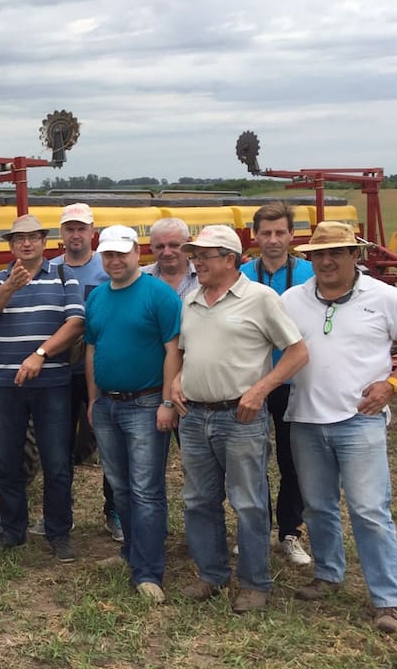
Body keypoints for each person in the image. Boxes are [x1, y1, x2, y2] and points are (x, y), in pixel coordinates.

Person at [282, 222, 397, 634]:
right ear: (309, 258)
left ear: (355, 256)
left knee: (369, 510)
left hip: (360, 420)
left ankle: (388, 600)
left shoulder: (384, 297)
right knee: (318, 506)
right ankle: (328, 575)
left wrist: (393, 383)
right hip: (307, 419)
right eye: (318, 255)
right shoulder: (292, 299)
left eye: (336, 253)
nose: (326, 262)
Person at [172, 225, 308, 613]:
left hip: (240, 416)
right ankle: (212, 575)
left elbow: (297, 353)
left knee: (248, 502)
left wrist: (259, 390)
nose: (196, 262)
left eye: (204, 255)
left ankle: (254, 583)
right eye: (194, 255)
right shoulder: (192, 299)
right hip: (195, 416)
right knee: (198, 500)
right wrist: (179, 381)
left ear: (230, 259)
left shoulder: (260, 298)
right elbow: (188, 351)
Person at [84, 226, 182, 603]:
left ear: (136, 253)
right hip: (107, 404)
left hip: (146, 402)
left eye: (121, 254)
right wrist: (93, 400)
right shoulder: (97, 298)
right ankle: (130, 553)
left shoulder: (159, 294)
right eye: (107, 254)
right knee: (120, 485)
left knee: (146, 489)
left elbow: (173, 349)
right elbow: (92, 351)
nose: (114, 261)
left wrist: (168, 402)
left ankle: (149, 571)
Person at [0, 214, 85, 561]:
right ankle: (13, 530)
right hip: (5, 382)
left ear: (44, 242)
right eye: (19, 239)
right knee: (8, 461)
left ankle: (59, 532)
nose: (26, 243)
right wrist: (12, 284)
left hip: (52, 381)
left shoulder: (62, 275)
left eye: (33, 237)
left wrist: (40, 354)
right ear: (10, 245)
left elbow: (75, 324)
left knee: (56, 461)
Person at [238, 201, 316, 567]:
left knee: (291, 459)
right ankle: (254, 530)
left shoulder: (309, 274)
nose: (272, 240)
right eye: (265, 233)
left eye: (280, 232)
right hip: (247, 382)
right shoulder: (238, 273)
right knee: (250, 461)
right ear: (255, 236)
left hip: (289, 381)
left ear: (292, 235)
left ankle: (289, 532)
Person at [40, 202, 119, 542]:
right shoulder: (48, 270)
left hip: (99, 370)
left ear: (92, 234)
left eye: (81, 228)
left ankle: (113, 513)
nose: (75, 234)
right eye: (69, 229)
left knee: (109, 442)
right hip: (57, 370)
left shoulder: (108, 270)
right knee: (56, 447)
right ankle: (58, 516)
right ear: (62, 235)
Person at [141, 218, 200, 300]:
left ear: (188, 242)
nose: (167, 253)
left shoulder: (205, 278)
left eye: (174, 245)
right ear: (151, 247)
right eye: (160, 247)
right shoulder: (137, 279)